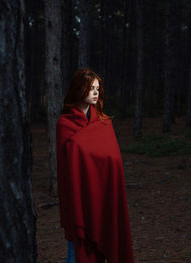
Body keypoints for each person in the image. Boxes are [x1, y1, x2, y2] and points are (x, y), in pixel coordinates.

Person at [56, 68, 134, 263]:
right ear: (78, 90)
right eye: (90, 88)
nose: (96, 93)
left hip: (103, 197)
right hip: (78, 197)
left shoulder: (104, 124)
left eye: (97, 88)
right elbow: (65, 170)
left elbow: (113, 162)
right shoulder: (64, 125)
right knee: (76, 250)